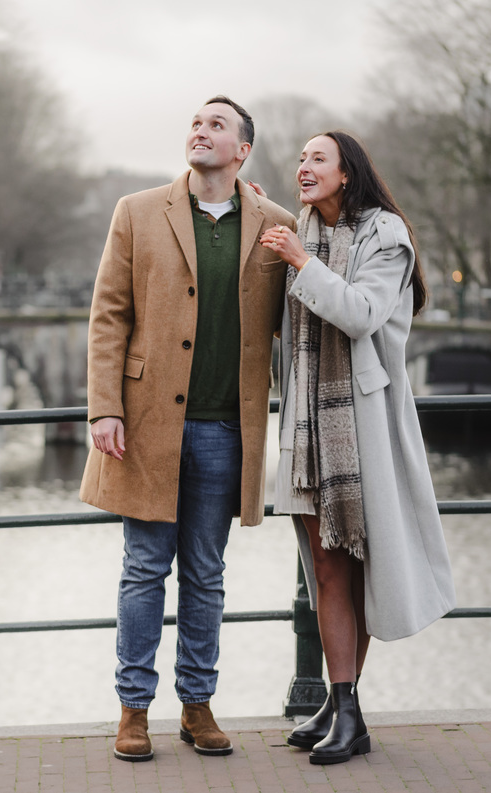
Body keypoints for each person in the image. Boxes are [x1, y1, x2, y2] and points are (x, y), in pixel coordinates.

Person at [80, 95, 295, 762]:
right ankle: (133, 710)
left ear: (242, 151)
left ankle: (197, 704)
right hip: (146, 426)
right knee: (143, 570)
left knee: (206, 573)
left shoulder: (276, 225)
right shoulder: (137, 212)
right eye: (196, 122)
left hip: (227, 430)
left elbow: (304, 312)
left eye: (217, 125)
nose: (201, 131)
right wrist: (104, 407)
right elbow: (109, 316)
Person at [259, 130, 456, 765]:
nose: (304, 167)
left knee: (358, 560)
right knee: (325, 567)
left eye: (318, 158)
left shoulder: (385, 237)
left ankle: (349, 713)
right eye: (301, 159)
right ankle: (338, 705)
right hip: (310, 426)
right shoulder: (305, 232)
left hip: (363, 426)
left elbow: (364, 313)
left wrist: (298, 260)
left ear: (348, 172)